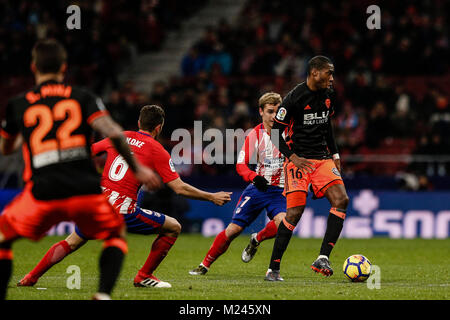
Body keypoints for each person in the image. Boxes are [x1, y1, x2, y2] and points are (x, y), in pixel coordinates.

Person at [0, 39, 161, 300]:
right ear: (64, 68)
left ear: (33, 67)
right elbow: (114, 132)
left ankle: (23, 279)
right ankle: (103, 294)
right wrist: (137, 169)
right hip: (84, 189)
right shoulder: (84, 97)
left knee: (4, 237)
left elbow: (7, 148)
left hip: (42, 190)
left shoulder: (18, 104)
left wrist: (23, 136)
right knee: (116, 234)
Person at [18, 104, 232, 288]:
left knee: (72, 241)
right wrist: (211, 196)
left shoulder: (119, 137)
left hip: (97, 204)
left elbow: (86, 152)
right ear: (159, 128)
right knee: (173, 227)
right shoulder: (158, 150)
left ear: (139, 121)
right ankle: (144, 276)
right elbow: (180, 188)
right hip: (122, 210)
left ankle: (30, 277)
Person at [265, 55, 349, 281]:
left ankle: (323, 257)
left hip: (322, 159)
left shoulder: (329, 95)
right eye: (328, 73)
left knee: (341, 200)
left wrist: (335, 153)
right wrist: (292, 157)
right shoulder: (294, 98)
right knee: (294, 213)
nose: (332, 78)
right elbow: (274, 133)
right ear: (314, 73)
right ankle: (273, 268)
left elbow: (326, 125)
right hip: (299, 160)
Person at [189, 92, 287, 275]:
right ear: (261, 112)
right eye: (270, 111)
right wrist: (253, 176)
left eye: (277, 111)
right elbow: (241, 165)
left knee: (284, 224)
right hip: (259, 188)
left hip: (280, 191)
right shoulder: (254, 135)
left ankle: (256, 239)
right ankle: (204, 265)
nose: (274, 116)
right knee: (233, 230)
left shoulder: (289, 133)